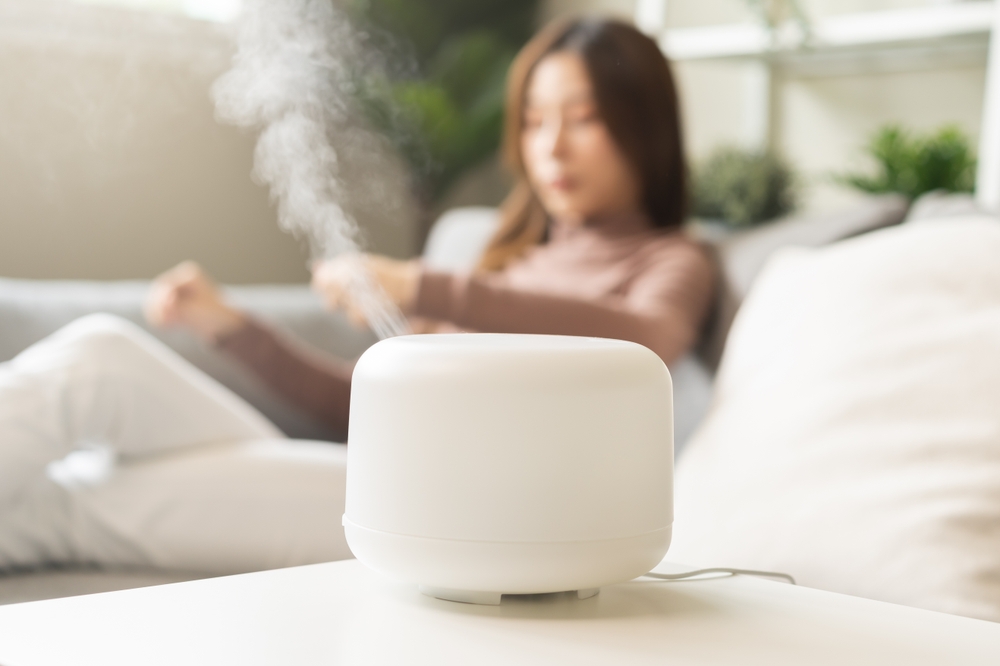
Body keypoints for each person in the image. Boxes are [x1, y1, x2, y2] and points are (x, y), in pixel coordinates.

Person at [0, 18, 713, 576]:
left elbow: (646, 336)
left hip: (459, 516)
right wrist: (231, 328)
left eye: (582, 118)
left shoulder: (671, 261)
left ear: (642, 127)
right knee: (99, 365)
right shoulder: (510, 264)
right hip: (374, 484)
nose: (551, 147)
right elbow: (359, 409)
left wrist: (429, 286)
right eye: (532, 120)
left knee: (77, 463)